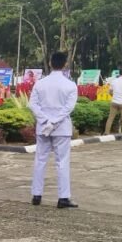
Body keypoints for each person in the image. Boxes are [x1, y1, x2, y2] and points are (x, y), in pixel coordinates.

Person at [29, 52, 79, 209]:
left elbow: (33, 105)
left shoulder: (40, 83)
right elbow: (68, 108)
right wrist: (54, 121)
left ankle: (36, 195)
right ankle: (63, 197)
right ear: (65, 64)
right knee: (62, 162)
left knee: (40, 160)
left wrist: (45, 120)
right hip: (61, 128)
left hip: (43, 128)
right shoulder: (70, 85)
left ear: (50, 63)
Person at [104, 68, 122, 140]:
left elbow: (110, 92)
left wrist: (115, 96)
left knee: (110, 118)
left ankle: (106, 133)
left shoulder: (114, 81)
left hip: (114, 102)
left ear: (119, 73)